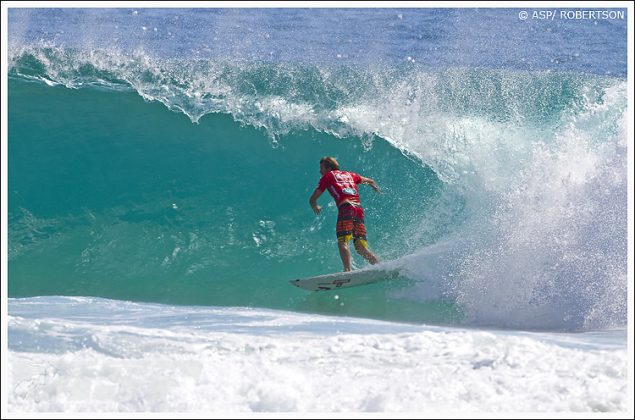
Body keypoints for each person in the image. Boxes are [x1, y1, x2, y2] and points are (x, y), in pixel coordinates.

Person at [309, 156, 380, 272]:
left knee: (343, 241)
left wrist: (314, 205)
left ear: (328, 168)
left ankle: (347, 271)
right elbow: (370, 180)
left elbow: (313, 198)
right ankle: (380, 266)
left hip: (346, 208)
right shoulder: (350, 175)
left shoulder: (327, 177)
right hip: (358, 209)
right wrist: (375, 187)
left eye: (321, 168)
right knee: (361, 247)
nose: (320, 171)